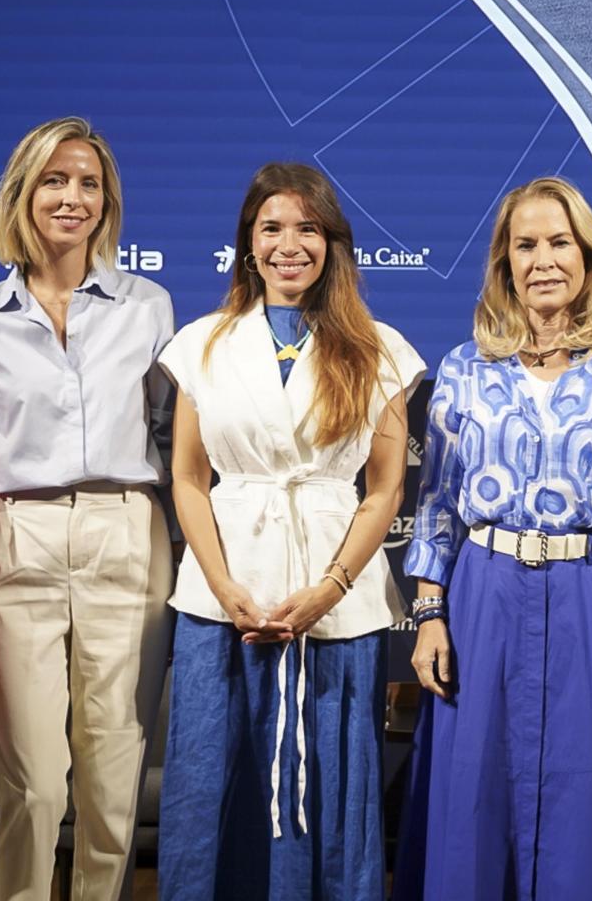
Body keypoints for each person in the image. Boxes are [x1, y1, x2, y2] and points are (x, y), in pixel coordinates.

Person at [394, 176, 592, 901]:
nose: (543, 260)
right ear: (506, 261)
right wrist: (429, 615)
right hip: (483, 597)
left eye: (559, 242)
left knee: (582, 798)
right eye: (525, 245)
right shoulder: (464, 368)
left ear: (588, 255)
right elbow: (436, 505)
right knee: (476, 792)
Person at [154, 162, 424, 899]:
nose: (289, 245)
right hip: (222, 606)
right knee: (214, 781)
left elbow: (385, 489)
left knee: (332, 788)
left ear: (333, 243)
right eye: (271, 228)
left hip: (337, 609)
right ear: (248, 242)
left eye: (308, 228)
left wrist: (329, 590)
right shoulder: (202, 343)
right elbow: (188, 478)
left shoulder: (380, 349)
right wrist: (222, 586)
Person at [0, 117, 175, 901]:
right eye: (54, 180)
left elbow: (170, 435)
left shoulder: (148, 306)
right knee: (33, 785)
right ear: (24, 193)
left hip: (126, 530)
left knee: (113, 783)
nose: (72, 198)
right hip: (18, 537)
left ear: (107, 202)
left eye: (88, 183)